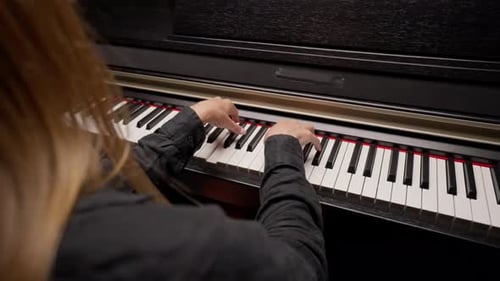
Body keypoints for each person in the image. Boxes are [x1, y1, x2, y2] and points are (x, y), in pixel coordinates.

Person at [0, 1, 327, 281]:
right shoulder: (166, 247)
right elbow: (297, 267)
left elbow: (100, 186)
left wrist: (189, 123)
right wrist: (283, 151)